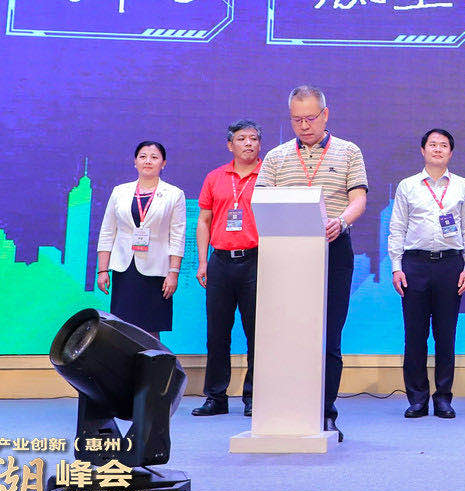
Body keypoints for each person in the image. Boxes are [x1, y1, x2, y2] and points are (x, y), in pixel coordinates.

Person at [258, 85, 367, 440]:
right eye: (296, 119)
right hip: (286, 252)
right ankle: (285, 411)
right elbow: (261, 202)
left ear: (325, 114)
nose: (303, 125)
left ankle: (325, 412)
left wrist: (342, 221)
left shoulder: (348, 151)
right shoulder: (276, 157)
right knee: (286, 333)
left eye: (310, 118)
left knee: (329, 335)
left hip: (334, 249)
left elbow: (358, 199)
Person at [388, 129, 465, 419]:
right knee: (415, 335)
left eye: (443, 145)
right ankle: (417, 399)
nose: (438, 149)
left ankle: (443, 398)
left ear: (451, 152)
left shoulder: (463, 186)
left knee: (445, 335)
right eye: (432, 145)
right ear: (423, 150)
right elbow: (397, 228)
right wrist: (396, 266)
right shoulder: (407, 186)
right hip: (414, 265)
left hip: (450, 264)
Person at [192, 120, 264, 418]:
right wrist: (202, 261)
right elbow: (204, 221)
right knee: (217, 332)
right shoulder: (215, 177)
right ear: (230, 145)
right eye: (242, 138)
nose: (248, 143)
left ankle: (254, 396)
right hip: (220, 261)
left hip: (256, 261)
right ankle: (216, 397)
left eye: (254, 138)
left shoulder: (269, 176)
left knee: (257, 332)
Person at [94, 141, 187, 339]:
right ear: (135, 162)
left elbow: (178, 236)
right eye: (143, 156)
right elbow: (107, 231)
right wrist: (102, 270)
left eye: (154, 157)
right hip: (125, 269)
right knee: (122, 327)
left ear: (163, 163)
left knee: (151, 328)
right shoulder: (120, 191)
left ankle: (153, 359)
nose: (148, 161)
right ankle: (124, 360)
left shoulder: (174, 194)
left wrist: (173, 273)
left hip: (157, 271)